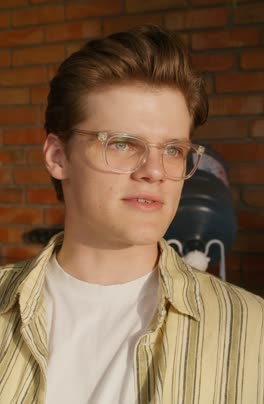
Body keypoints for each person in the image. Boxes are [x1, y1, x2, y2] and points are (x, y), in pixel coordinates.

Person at [0, 25, 263, 404]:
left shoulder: (252, 331)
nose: (154, 170)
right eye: (122, 144)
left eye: (173, 149)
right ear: (58, 157)